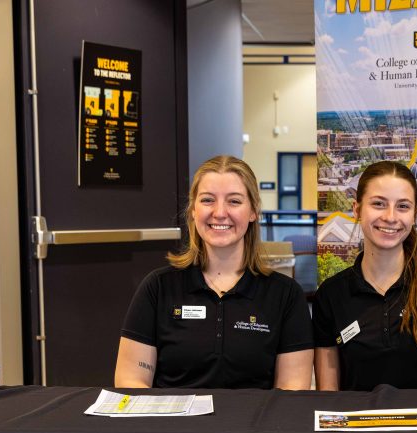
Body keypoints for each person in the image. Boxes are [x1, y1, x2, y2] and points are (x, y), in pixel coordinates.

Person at [114, 155, 313, 389]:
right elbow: (131, 380)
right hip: (173, 414)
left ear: (253, 211)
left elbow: (292, 388)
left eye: (234, 201)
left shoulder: (286, 295)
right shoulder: (158, 288)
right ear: (193, 210)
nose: (219, 212)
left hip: (253, 415)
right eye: (208, 200)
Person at [312, 161, 417, 390]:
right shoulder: (331, 295)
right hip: (359, 415)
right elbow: (328, 395)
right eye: (379, 204)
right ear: (357, 209)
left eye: (402, 206)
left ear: (414, 214)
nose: (390, 217)